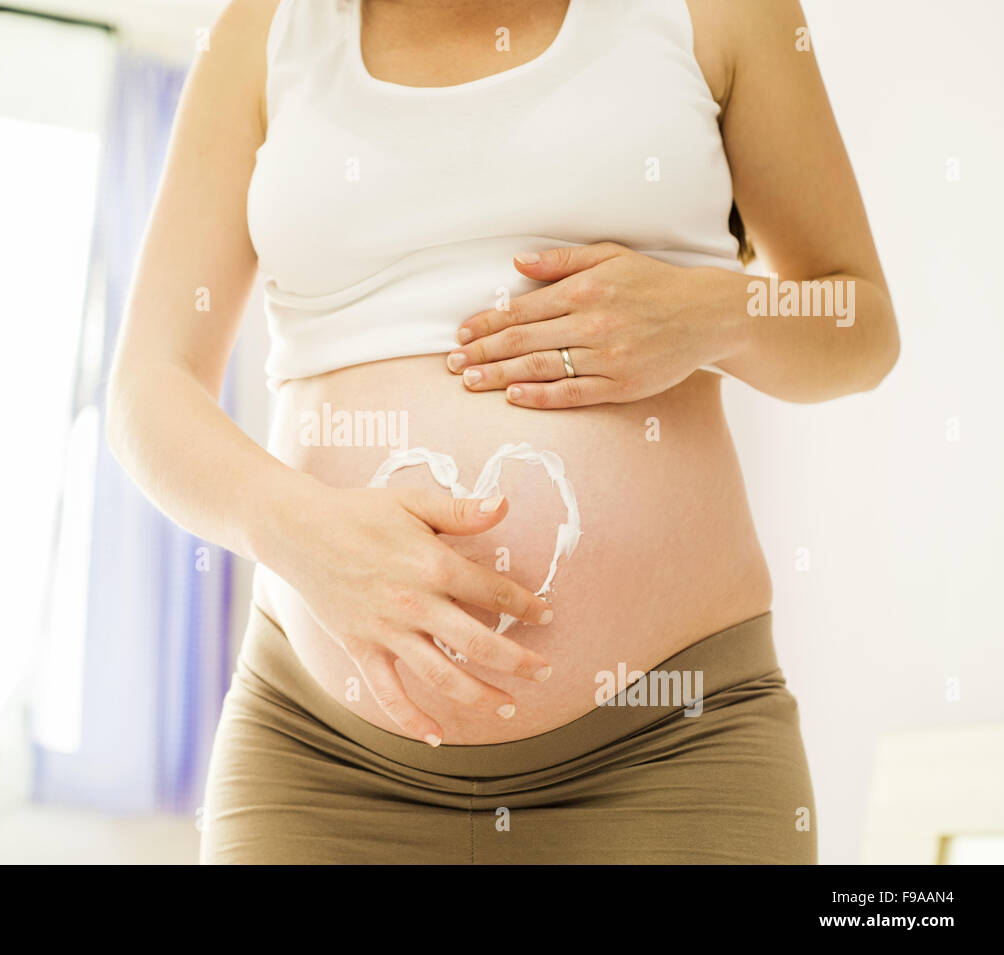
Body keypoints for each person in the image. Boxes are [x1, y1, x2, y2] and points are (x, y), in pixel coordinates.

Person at [106, 0, 899, 863]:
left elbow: (858, 322)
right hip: (324, 765)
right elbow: (148, 386)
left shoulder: (724, 11)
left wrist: (714, 313)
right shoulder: (265, 30)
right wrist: (294, 530)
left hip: (671, 748)